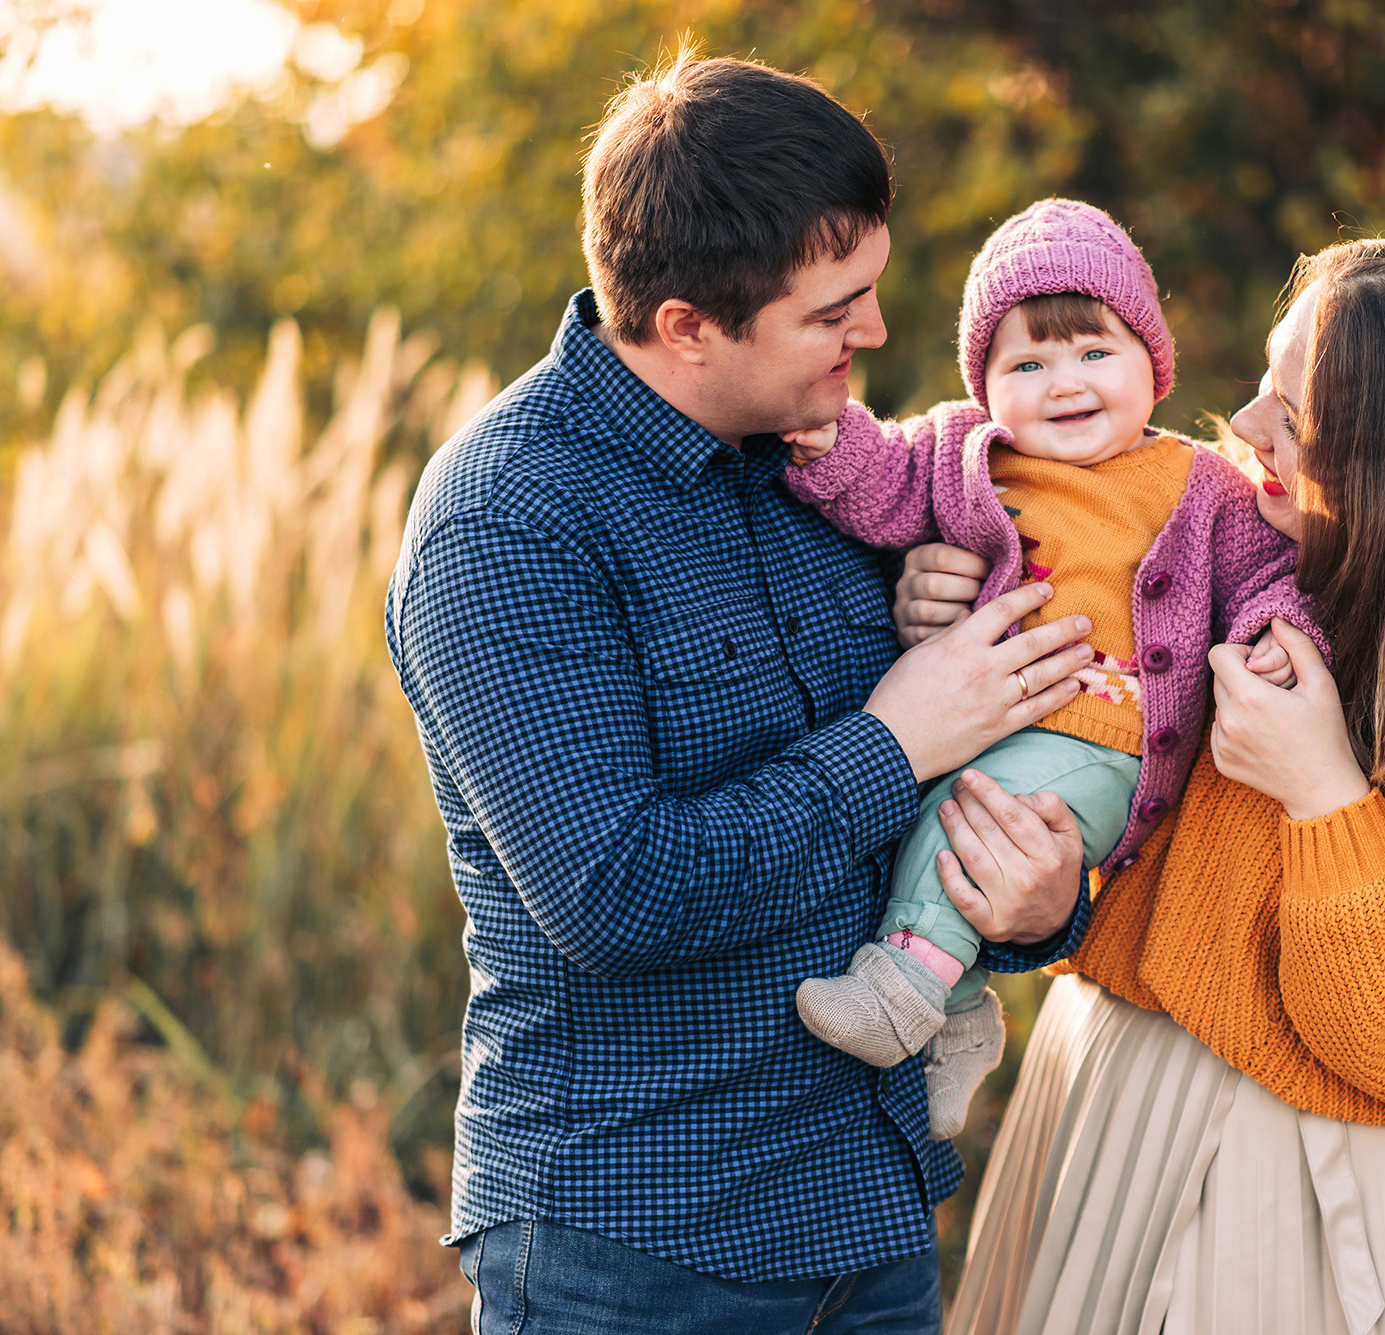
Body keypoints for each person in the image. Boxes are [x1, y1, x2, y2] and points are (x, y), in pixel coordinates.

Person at [383, 53, 1094, 1334]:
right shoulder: (507, 524)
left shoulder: (841, 468)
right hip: (639, 1244)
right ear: (685, 327)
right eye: (834, 313)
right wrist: (893, 736)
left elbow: (968, 773)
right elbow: (617, 891)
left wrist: (1045, 904)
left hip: (870, 1219)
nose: (873, 336)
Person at [898, 238, 1385, 1333]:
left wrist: (1323, 800)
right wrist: (952, 588)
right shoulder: (1197, 572)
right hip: (1118, 1110)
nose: (1241, 425)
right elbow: (1106, 819)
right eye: (1259, 380)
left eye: (1291, 417)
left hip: (1360, 1207)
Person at [779, 198, 1327, 1140]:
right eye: (1025, 364)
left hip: (1106, 737)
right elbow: (884, 477)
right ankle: (956, 1018)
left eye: (1092, 353)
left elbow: (1272, 576)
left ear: (1152, 364)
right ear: (984, 386)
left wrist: (1281, 631)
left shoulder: (1202, 485)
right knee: (934, 808)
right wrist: (832, 445)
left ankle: (905, 984)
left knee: (974, 812)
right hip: (989, 712)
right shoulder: (968, 455)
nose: (1063, 382)